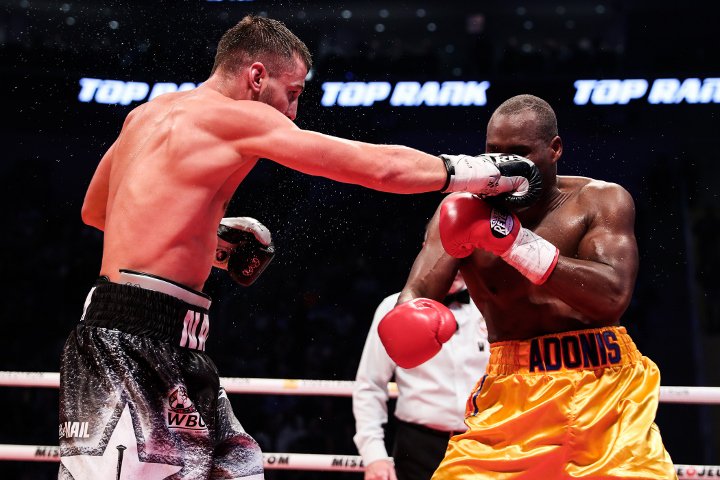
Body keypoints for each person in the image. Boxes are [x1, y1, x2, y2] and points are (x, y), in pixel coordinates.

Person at [59, 15, 538, 479]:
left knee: (239, 471)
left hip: (173, 335)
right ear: (256, 77)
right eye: (292, 93)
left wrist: (211, 239)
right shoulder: (238, 116)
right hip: (128, 338)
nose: (292, 113)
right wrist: (478, 171)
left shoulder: (143, 115)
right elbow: (375, 167)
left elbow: (96, 211)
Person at [378, 94, 677, 479]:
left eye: (520, 152)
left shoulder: (599, 201)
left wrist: (515, 243)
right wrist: (408, 318)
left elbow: (611, 297)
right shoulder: (463, 210)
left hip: (605, 391)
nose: (506, 165)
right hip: (511, 393)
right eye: (494, 152)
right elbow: (417, 293)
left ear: (555, 149)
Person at [353, 271, 489, 480]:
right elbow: (370, 384)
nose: (454, 266)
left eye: (460, 257)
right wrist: (374, 455)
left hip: (484, 443)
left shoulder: (491, 304)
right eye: (446, 256)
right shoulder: (394, 308)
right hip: (418, 448)